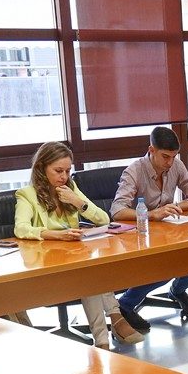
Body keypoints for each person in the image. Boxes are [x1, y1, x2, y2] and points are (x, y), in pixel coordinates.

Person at [13, 141, 142, 348]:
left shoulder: (69, 189)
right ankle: (114, 322)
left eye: (67, 171)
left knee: (88, 272)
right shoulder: (27, 195)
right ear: (41, 168)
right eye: (58, 171)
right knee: (88, 274)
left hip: (75, 260)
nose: (64, 176)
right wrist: (56, 235)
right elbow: (20, 228)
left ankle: (103, 340)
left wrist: (77, 202)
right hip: (46, 266)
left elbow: (104, 219)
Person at [110, 126, 188, 335]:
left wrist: (177, 208)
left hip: (167, 232)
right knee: (166, 267)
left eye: (173, 157)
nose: (170, 162)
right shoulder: (134, 171)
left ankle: (178, 290)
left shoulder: (176, 166)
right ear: (151, 150)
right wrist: (152, 214)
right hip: (138, 237)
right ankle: (125, 304)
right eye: (165, 157)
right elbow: (116, 211)